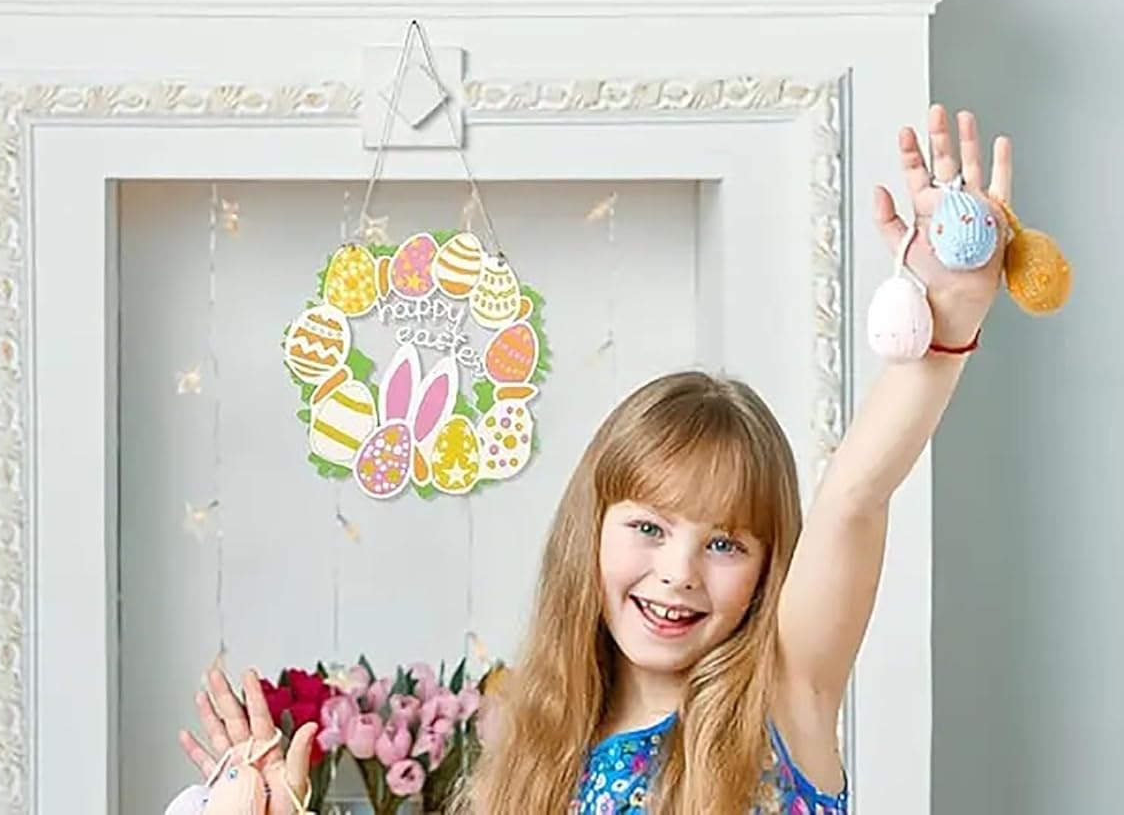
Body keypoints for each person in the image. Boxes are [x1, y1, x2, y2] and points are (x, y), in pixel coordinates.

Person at [178, 105, 1010, 815]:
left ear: (768, 571)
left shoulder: (783, 700)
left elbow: (855, 498)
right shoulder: (539, 759)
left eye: (725, 544)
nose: (679, 571)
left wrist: (948, 314)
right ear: (594, 531)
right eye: (649, 526)